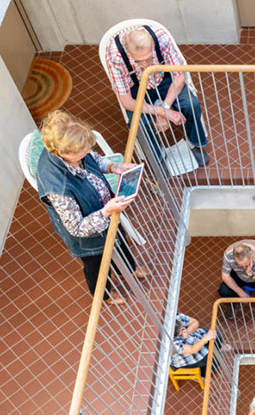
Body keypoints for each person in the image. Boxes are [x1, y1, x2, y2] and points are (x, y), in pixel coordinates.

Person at [35, 110, 149, 306]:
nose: (88, 152)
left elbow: (94, 157)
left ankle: (128, 269)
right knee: (95, 265)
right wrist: (106, 212)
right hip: (88, 233)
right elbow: (76, 227)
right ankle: (104, 294)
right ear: (63, 153)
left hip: (103, 205)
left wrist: (113, 167)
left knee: (120, 239)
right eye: (83, 151)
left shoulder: (73, 147)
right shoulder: (57, 187)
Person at [104, 24, 210, 166]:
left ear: (153, 46)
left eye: (148, 58)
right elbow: (127, 101)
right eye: (138, 61)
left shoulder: (161, 38)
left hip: (165, 79)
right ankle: (158, 158)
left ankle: (196, 144)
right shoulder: (114, 56)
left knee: (191, 104)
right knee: (139, 124)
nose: (145, 65)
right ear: (128, 52)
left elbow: (179, 76)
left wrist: (164, 108)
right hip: (136, 86)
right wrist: (165, 112)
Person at [218, 240, 255, 326]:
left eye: (246, 263)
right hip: (239, 276)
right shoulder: (228, 254)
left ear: (250, 254)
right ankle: (235, 303)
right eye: (240, 264)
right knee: (223, 290)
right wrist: (240, 292)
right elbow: (225, 276)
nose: (244, 266)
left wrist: (251, 273)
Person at [171, 313, 228, 377]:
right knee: (216, 358)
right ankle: (204, 375)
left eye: (182, 326)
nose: (183, 328)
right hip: (189, 356)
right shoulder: (172, 345)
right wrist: (206, 338)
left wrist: (188, 331)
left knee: (217, 335)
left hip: (196, 336)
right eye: (180, 331)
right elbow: (192, 349)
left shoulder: (177, 317)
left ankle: (217, 348)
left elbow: (195, 322)